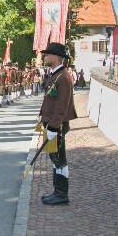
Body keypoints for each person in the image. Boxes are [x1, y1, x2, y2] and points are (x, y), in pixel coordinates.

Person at [39, 43, 77, 205]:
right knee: (55, 158)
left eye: (48, 54)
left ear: (55, 57)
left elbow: (62, 106)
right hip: (51, 123)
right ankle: (57, 192)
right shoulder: (56, 74)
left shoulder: (63, 77)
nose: (45, 57)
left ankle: (61, 194)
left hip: (57, 125)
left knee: (60, 159)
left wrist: (54, 127)